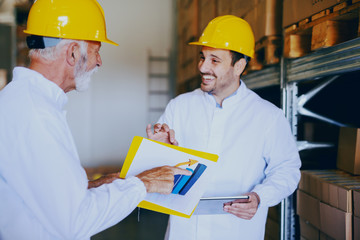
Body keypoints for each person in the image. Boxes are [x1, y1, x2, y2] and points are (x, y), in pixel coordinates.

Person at [0, 0, 190, 239]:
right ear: (72, 53)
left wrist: (95, 185)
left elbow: (42, 192)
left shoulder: (26, 102)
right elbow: (76, 219)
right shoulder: (35, 114)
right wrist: (144, 184)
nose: (99, 61)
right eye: (96, 51)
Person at [147, 15, 302, 239]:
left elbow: (287, 170)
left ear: (239, 65)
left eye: (214, 60)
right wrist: (160, 151)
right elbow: (156, 172)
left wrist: (260, 197)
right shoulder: (179, 107)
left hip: (237, 231)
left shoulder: (268, 116)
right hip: (185, 232)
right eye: (202, 57)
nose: (202, 66)